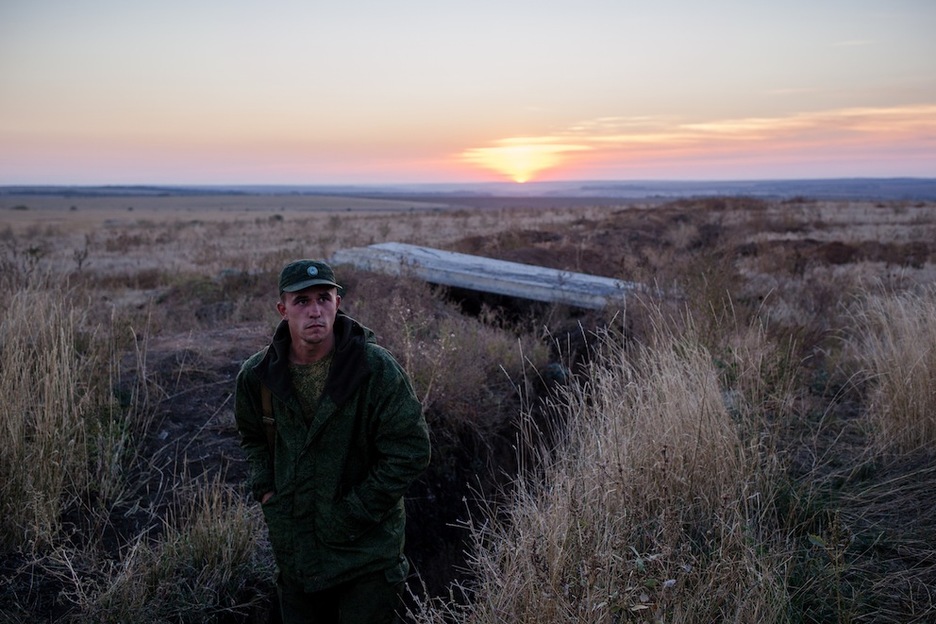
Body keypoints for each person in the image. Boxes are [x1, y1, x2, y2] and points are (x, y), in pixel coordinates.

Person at [235, 259, 431, 624]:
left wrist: (354, 511)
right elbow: (252, 437)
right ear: (283, 309)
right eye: (302, 301)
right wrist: (267, 490)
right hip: (297, 554)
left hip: (367, 555)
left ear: (337, 303)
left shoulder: (374, 369)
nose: (315, 311)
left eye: (324, 298)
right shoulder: (257, 376)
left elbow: (411, 450)